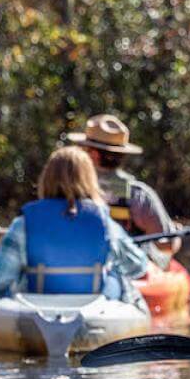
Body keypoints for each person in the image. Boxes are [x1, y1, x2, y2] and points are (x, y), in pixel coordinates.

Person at [0, 146, 149, 309]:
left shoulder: (22, 225)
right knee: (118, 279)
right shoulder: (106, 224)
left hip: (32, 312)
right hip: (92, 311)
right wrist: (109, 263)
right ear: (90, 180)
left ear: (46, 178)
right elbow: (138, 267)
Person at [66, 114, 181, 267]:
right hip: (125, 270)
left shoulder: (69, 188)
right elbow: (166, 246)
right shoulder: (138, 194)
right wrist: (176, 234)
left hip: (79, 265)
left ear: (93, 154)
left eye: (84, 148)